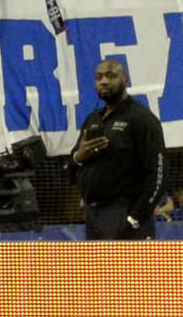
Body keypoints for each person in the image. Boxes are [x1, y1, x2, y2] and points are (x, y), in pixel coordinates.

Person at [67, 59, 166, 239]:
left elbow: (158, 175)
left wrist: (135, 218)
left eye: (111, 76)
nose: (103, 81)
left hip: (125, 213)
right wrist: (79, 157)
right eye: (98, 77)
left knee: (130, 268)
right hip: (94, 216)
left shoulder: (142, 119)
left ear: (125, 79)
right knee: (99, 268)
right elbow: (69, 169)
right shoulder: (93, 119)